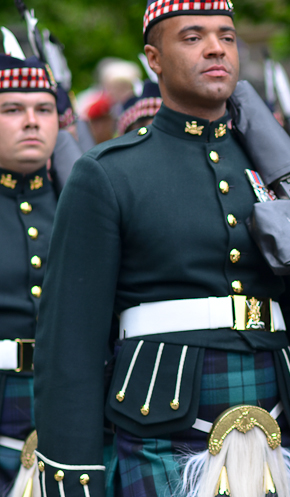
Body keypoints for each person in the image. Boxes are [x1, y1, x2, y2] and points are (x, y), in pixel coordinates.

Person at [33, 2, 290, 496]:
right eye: (192, 37)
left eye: (227, 37)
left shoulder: (274, 165)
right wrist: (74, 477)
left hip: (278, 416)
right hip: (161, 422)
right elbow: (71, 345)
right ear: (153, 58)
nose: (216, 48)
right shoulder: (108, 173)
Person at [0, 52, 58, 492]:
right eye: (12, 110)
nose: (32, 122)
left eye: (44, 109)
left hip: (67, 397)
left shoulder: (81, 203)